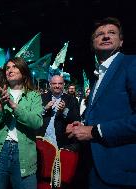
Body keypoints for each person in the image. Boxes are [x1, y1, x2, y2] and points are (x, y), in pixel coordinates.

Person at [66, 17, 136, 188]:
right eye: (100, 34)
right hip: (92, 169)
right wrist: (82, 125)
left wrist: (95, 131)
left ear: (121, 41)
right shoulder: (98, 77)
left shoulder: (131, 64)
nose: (105, 36)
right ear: (93, 44)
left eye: (112, 33)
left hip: (120, 172)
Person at [0, 57, 43, 189]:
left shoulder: (34, 96)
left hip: (24, 153)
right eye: (8, 68)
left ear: (24, 71)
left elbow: (37, 122)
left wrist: (14, 106)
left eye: (14, 67)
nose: (10, 70)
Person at [36, 75, 81, 188]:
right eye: (54, 84)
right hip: (42, 142)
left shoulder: (71, 99)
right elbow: (34, 116)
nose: (57, 86)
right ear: (50, 85)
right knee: (41, 174)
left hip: (60, 144)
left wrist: (64, 111)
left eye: (60, 84)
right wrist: (45, 108)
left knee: (57, 178)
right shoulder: (42, 97)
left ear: (63, 85)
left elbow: (76, 120)